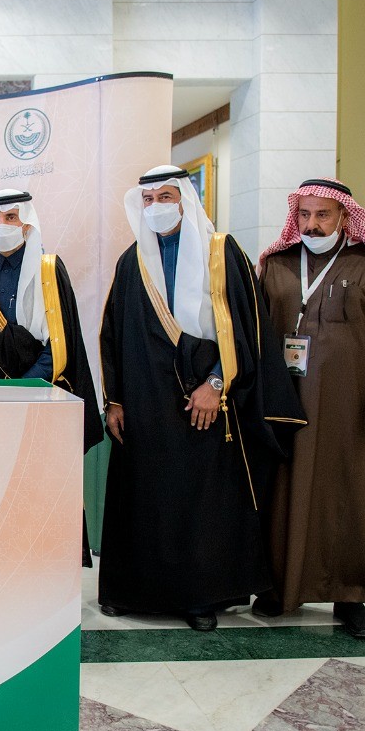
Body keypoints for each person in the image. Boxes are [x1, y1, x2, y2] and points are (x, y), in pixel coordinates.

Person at [98, 166, 304, 631]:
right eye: (148, 199)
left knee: (201, 502)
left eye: (165, 197)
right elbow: (113, 333)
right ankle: (133, 592)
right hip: (145, 405)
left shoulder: (221, 252)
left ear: (185, 200)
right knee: (144, 497)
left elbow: (248, 327)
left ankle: (199, 598)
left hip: (206, 404)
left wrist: (215, 384)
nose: (156, 207)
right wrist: (116, 401)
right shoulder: (132, 261)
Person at [253, 178, 365, 638]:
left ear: (344, 215)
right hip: (283, 405)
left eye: (322, 214)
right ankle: (277, 588)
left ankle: (350, 596)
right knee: (280, 493)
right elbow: (254, 334)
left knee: (347, 495)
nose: (312, 224)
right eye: (304, 214)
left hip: (349, 407)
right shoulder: (276, 266)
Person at [0, 189, 104, 564]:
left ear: (27, 223)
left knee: (42, 492)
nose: (2, 226)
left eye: (11, 218)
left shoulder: (49, 269)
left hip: (40, 403)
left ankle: (48, 568)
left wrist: (25, 388)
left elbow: (60, 343)